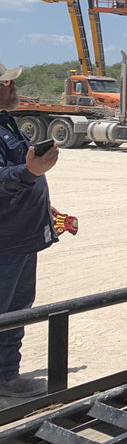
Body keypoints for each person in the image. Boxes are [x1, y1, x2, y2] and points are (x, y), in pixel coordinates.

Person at [0, 61, 60, 398]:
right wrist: (30, 172)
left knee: (16, 313)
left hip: (22, 237)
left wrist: (43, 205)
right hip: (5, 242)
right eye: (7, 83)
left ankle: (7, 377)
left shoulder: (5, 121)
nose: (12, 88)